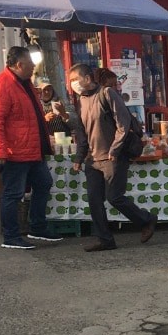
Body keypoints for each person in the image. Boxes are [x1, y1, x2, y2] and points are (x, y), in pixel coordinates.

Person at [68, 63, 157, 253]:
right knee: (94, 200)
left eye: (75, 80)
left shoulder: (107, 93)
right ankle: (105, 239)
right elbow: (82, 133)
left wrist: (114, 150)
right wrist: (79, 157)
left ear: (87, 78)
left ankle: (146, 219)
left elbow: (123, 124)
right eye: (71, 81)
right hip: (93, 159)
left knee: (114, 197)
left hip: (112, 157)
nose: (73, 84)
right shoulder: (81, 101)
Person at [0, 45, 61, 251]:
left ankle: (37, 226)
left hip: (31, 149)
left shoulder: (25, 83)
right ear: (19, 64)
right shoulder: (2, 85)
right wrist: (0, 151)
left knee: (44, 183)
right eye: (30, 63)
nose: (34, 67)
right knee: (13, 193)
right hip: (14, 152)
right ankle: (10, 236)